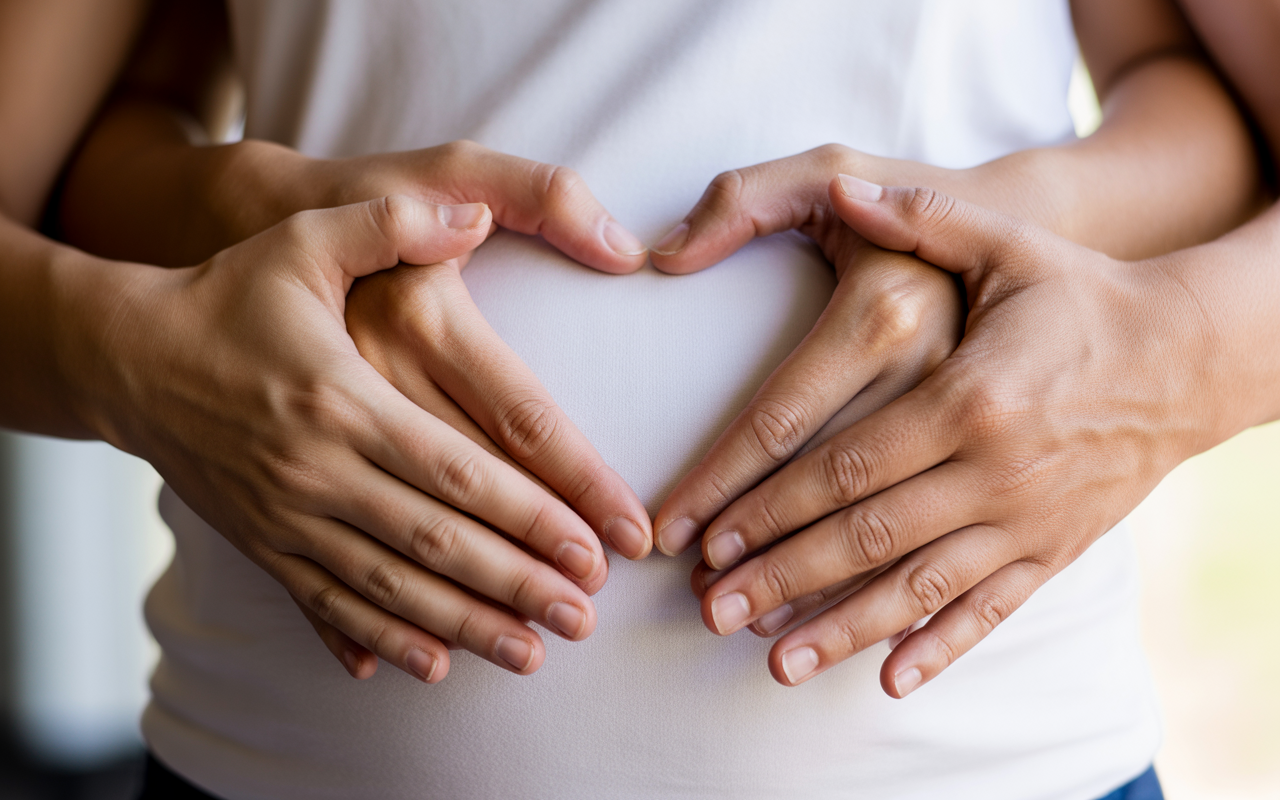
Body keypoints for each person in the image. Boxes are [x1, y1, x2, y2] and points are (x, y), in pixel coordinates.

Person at [0, 1, 1267, 799]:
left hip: (992, 761)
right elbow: (63, 163)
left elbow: (1207, 92)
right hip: (277, 758)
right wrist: (158, 324)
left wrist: (1158, 360)